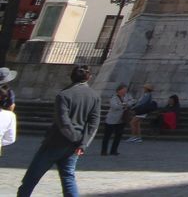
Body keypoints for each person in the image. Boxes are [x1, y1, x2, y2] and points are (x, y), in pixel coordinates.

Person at [17, 64, 100, 197]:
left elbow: (63, 121)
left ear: (71, 76)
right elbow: (94, 123)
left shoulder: (64, 94)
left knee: (32, 176)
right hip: (75, 145)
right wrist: (82, 143)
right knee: (68, 178)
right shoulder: (94, 96)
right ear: (89, 77)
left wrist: (74, 138)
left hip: (56, 141)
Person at [101, 84, 133, 155]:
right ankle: (104, 151)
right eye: (123, 90)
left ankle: (114, 150)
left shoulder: (128, 96)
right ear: (119, 90)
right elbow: (114, 106)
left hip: (122, 119)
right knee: (107, 136)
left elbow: (131, 102)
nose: (125, 91)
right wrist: (124, 105)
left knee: (118, 136)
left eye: (125, 90)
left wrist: (124, 104)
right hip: (111, 120)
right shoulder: (114, 97)